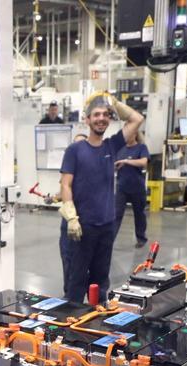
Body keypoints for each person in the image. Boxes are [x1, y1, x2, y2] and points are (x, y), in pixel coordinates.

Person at [58, 92, 144, 301]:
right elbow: (65, 184)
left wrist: (113, 103)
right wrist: (71, 217)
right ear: (87, 120)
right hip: (80, 228)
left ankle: (95, 327)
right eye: (95, 115)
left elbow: (136, 119)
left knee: (100, 285)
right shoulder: (75, 150)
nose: (101, 118)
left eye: (105, 114)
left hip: (105, 227)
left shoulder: (111, 146)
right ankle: (72, 327)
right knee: (75, 285)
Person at [113, 131, 150, 247]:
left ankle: (141, 238)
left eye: (129, 134)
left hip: (137, 187)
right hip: (122, 187)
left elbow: (143, 162)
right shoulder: (120, 149)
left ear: (135, 135)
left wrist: (126, 161)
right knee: (116, 214)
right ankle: (109, 239)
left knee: (139, 214)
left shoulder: (141, 148)